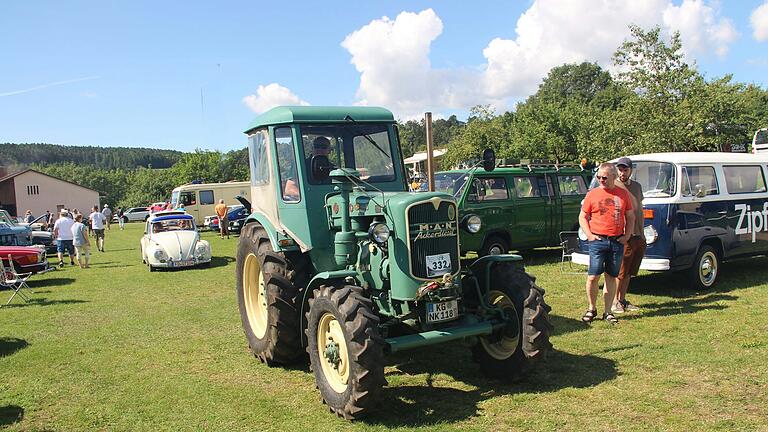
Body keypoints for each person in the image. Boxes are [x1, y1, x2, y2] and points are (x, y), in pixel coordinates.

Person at [578, 162, 635, 325]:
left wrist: (627, 235)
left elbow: (630, 216)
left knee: (611, 276)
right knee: (593, 276)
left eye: (604, 177)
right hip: (597, 240)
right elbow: (582, 216)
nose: (601, 180)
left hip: (616, 241)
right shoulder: (592, 194)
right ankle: (591, 308)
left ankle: (608, 311)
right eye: (598, 177)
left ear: (614, 177)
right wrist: (589, 234)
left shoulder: (622, 194)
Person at [613, 157, 645, 314]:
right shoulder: (614, 186)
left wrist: (642, 232)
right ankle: (614, 302)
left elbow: (640, 209)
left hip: (638, 234)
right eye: (620, 169)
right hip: (623, 235)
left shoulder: (637, 187)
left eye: (625, 169)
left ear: (631, 170)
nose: (622, 172)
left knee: (629, 272)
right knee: (620, 271)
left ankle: (622, 300)